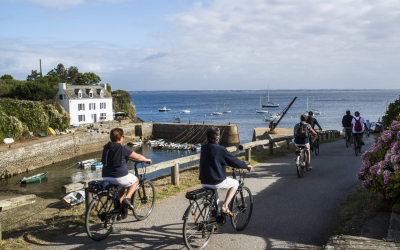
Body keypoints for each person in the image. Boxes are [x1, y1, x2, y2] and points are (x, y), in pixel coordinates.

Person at [199, 127, 252, 217]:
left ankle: (210, 220)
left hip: (204, 181)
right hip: (216, 181)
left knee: (215, 199)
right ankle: (225, 206)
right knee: (235, 183)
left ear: (207, 138)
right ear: (218, 138)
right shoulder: (221, 149)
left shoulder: (203, 148)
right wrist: (246, 165)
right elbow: (234, 161)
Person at [101, 128, 151, 210]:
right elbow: (138, 156)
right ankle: (127, 199)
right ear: (121, 138)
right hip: (119, 177)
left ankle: (118, 211)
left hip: (106, 176)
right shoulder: (122, 149)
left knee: (122, 187)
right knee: (136, 180)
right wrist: (146, 160)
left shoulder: (106, 148)